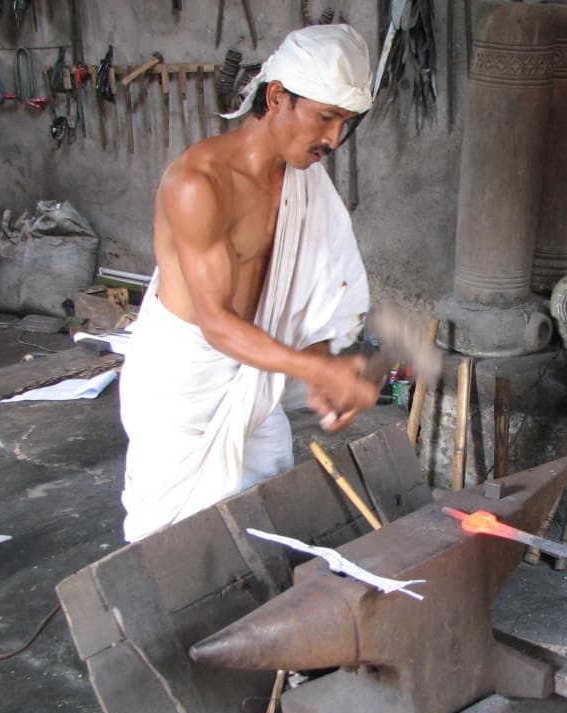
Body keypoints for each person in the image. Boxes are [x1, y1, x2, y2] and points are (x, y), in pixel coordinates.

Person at [119, 24, 381, 543]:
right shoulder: (198, 183)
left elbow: (319, 291)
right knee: (173, 547)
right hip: (182, 387)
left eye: (344, 122)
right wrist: (312, 368)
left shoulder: (304, 181)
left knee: (267, 522)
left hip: (254, 380)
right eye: (325, 116)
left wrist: (327, 364)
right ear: (278, 96)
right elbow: (216, 323)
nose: (332, 139)